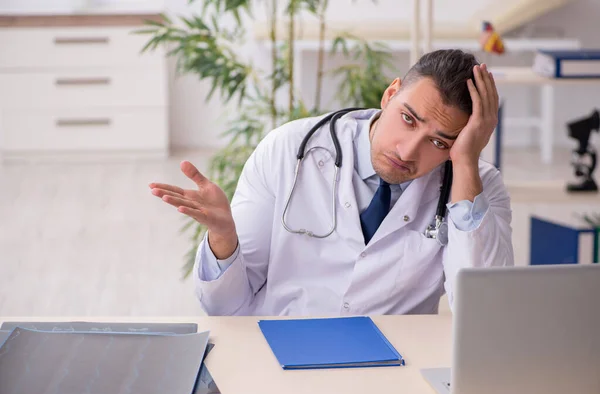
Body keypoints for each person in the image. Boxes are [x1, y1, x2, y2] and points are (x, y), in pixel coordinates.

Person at [150, 49, 514, 316]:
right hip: (278, 355)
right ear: (390, 94)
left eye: (439, 142)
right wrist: (223, 241)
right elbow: (223, 308)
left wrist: (464, 162)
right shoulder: (288, 149)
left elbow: (482, 313)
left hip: (392, 369)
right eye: (407, 118)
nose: (407, 151)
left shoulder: (477, 185)